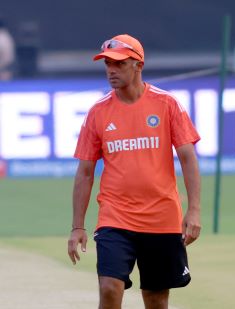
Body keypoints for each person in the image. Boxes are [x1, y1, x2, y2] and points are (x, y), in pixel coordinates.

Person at [68, 34, 201, 309]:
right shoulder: (98, 112)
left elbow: (188, 158)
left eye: (118, 64)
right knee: (109, 288)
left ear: (138, 65)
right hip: (115, 217)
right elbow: (85, 172)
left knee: (155, 298)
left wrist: (194, 210)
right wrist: (77, 226)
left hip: (161, 217)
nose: (111, 71)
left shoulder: (167, 104)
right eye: (107, 64)